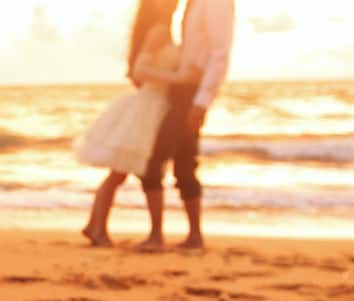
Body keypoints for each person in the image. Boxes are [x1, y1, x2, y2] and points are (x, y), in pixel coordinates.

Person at [74, 0, 185, 248]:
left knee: (120, 173)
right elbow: (139, 71)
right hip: (148, 105)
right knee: (131, 171)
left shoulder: (162, 29)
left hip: (154, 105)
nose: (172, 4)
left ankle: (96, 225)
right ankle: (100, 227)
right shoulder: (159, 30)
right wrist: (178, 78)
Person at [133, 0, 235, 250]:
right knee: (184, 163)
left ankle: (158, 236)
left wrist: (202, 100)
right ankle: (193, 236)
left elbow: (219, 53)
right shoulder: (192, 5)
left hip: (190, 93)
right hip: (182, 91)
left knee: (155, 161)